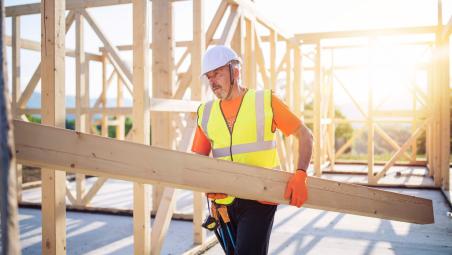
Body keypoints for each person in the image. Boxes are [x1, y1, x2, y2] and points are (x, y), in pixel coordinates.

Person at [192, 45, 313, 255]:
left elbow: (305, 135)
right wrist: (206, 184)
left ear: (235, 72)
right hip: (223, 203)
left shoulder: (265, 101)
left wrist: (300, 174)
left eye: (218, 73)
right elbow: (197, 159)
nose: (212, 81)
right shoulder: (205, 112)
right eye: (209, 76)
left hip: (260, 199)